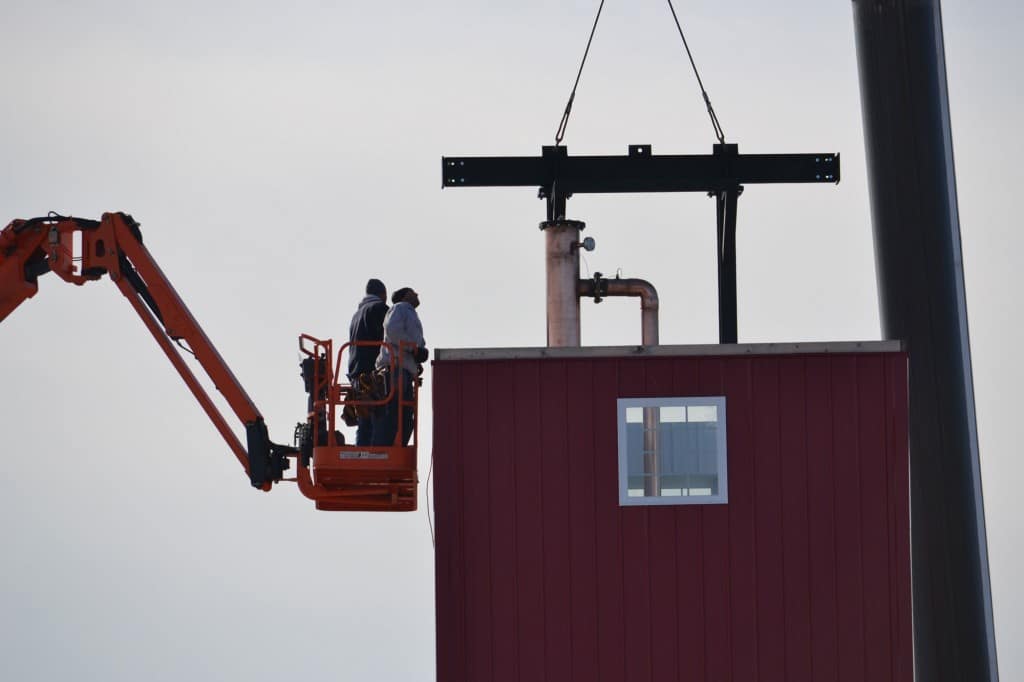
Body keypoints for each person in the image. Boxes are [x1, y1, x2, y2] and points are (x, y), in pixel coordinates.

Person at [372, 287, 427, 447]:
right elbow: (393, 331)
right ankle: (384, 450)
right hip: (396, 370)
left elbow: (410, 340)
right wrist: (414, 349)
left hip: (404, 370)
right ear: (404, 296)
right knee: (394, 414)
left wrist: (417, 356)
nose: (417, 293)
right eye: (412, 291)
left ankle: (393, 449)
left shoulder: (409, 313)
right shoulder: (400, 308)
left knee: (405, 417)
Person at [347, 278, 389, 445]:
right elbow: (388, 339)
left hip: (356, 373)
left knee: (364, 417)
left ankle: (362, 452)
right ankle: (374, 452)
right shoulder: (380, 309)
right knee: (378, 416)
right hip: (372, 373)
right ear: (383, 294)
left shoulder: (356, 315)